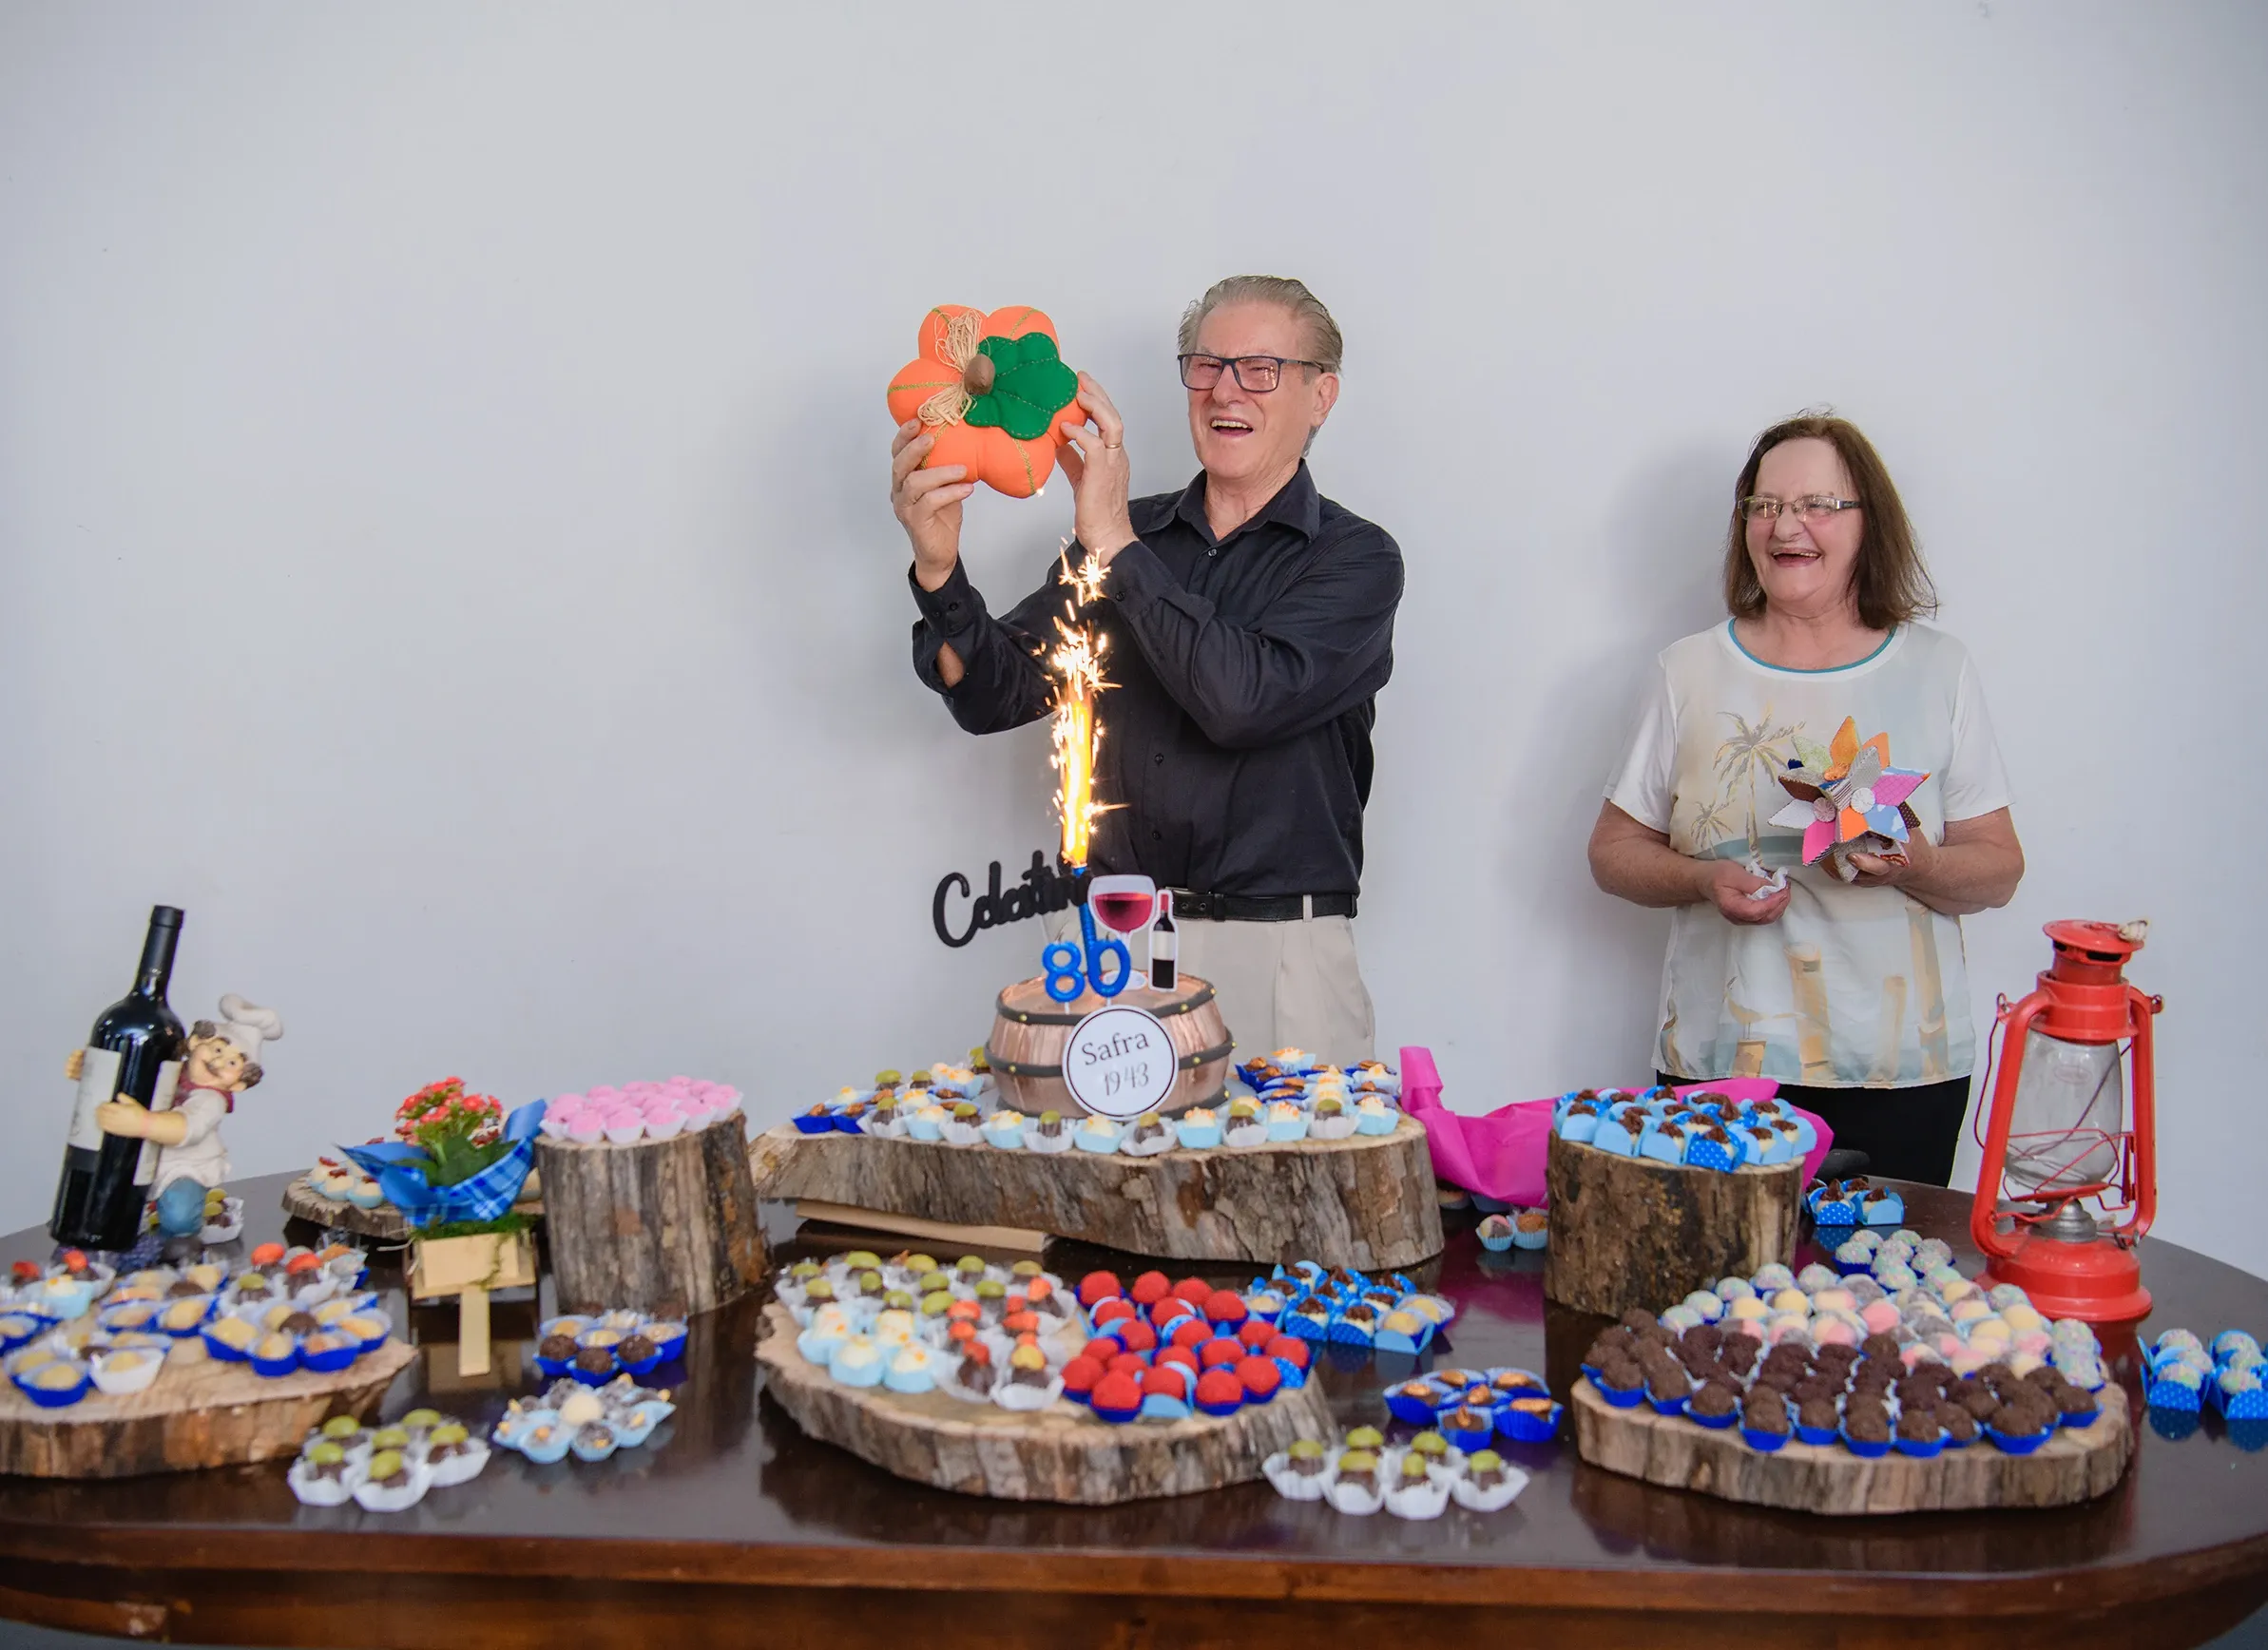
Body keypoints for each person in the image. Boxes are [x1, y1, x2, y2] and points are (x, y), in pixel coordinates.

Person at [891, 276, 1402, 1066]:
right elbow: (999, 694)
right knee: (1095, 1186)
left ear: (1321, 395)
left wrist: (1115, 544)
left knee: (1289, 1188)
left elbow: (1243, 701)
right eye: (1206, 365)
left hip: (1283, 956)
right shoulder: (1128, 536)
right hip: (1108, 944)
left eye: (1260, 368)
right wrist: (938, 571)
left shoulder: (1356, 558)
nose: (1225, 388)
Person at [1586, 413, 2024, 1185]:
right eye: (1763, 505)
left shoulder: (1938, 669)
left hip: (1904, 1074)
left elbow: (1999, 871)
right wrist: (1699, 880)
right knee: (1718, 1298)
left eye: (1817, 504)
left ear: (1868, 525)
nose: (1786, 525)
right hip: (1723, 1071)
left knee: (1887, 1298)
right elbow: (1613, 854)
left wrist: (1913, 863)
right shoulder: (1686, 672)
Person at [94, 994, 281, 1236]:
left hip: (184, 1165)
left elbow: (186, 1127)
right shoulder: (169, 1071)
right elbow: (131, 1083)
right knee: (107, 1201)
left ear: (238, 1085)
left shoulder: (211, 1100)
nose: (218, 1061)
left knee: (179, 1214)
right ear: (195, 1043)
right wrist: (92, 1071)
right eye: (217, 1049)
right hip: (142, 1157)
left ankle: (178, 1245)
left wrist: (142, 1123)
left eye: (233, 1063)